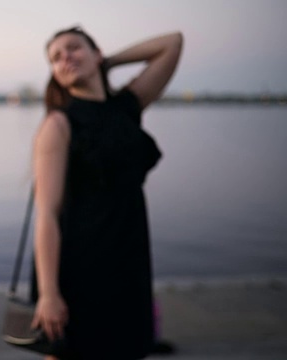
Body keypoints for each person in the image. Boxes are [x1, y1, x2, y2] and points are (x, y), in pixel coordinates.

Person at [29, 26, 182, 359]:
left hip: (129, 259)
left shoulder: (127, 105)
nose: (65, 57)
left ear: (96, 54)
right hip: (79, 266)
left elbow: (172, 42)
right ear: (55, 74)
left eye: (74, 48)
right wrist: (49, 293)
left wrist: (108, 62)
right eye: (56, 57)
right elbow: (48, 215)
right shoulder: (58, 125)